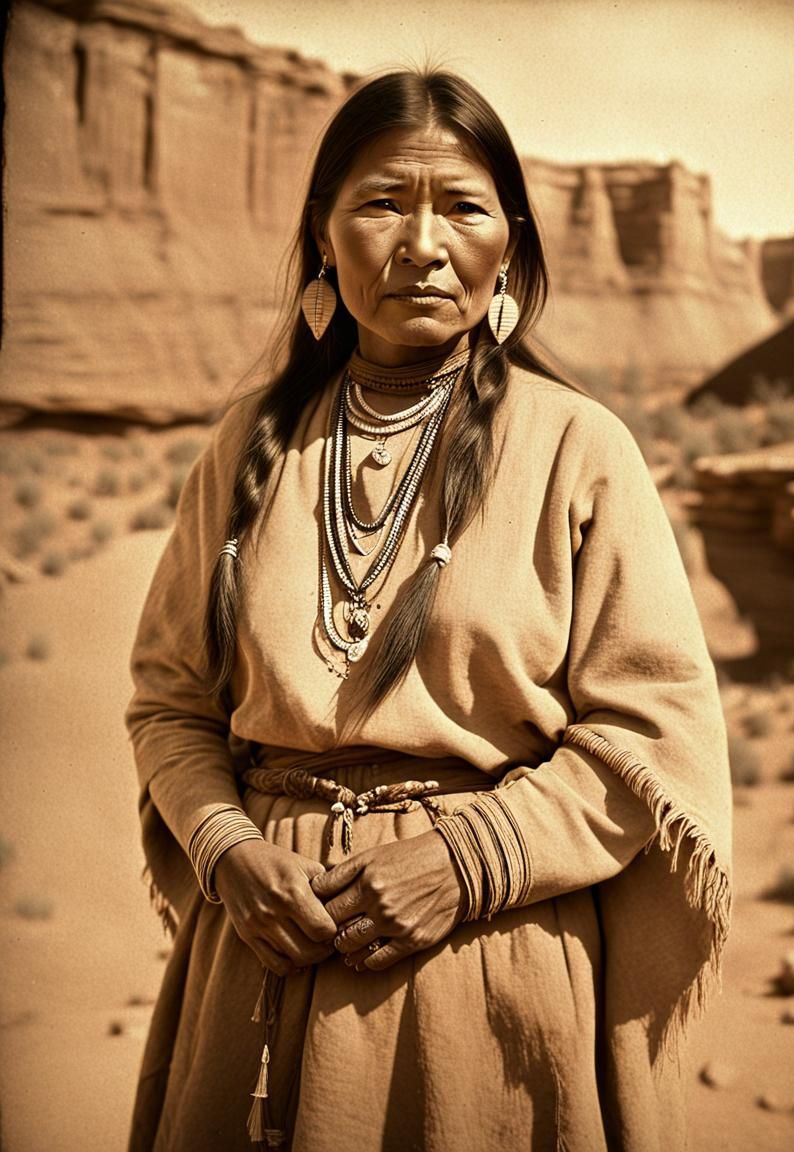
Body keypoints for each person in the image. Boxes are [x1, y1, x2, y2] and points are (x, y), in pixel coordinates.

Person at [126, 69, 732, 1152]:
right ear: (322, 234)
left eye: (461, 206)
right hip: (254, 969)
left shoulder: (577, 447)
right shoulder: (245, 449)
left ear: (509, 244)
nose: (421, 243)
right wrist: (226, 848)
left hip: (486, 976)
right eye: (380, 204)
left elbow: (652, 735)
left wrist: (466, 860)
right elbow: (170, 703)